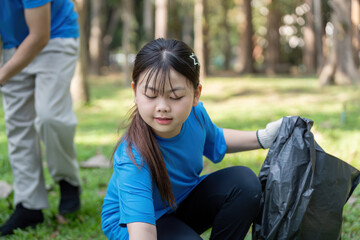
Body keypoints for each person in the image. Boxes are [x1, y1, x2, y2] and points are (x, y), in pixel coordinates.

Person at [101, 38, 282, 240]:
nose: (162, 107)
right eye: (151, 95)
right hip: (133, 225)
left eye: (175, 97)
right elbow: (143, 234)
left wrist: (265, 137)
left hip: (180, 203)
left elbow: (216, 138)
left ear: (196, 94)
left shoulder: (196, 115)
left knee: (245, 183)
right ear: (135, 92)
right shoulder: (133, 157)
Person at [0, 0, 81, 236]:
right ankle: (29, 206)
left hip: (54, 37)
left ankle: (68, 181)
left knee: (50, 116)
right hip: (12, 45)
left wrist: (2, 75)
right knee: (18, 125)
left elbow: (39, 36)